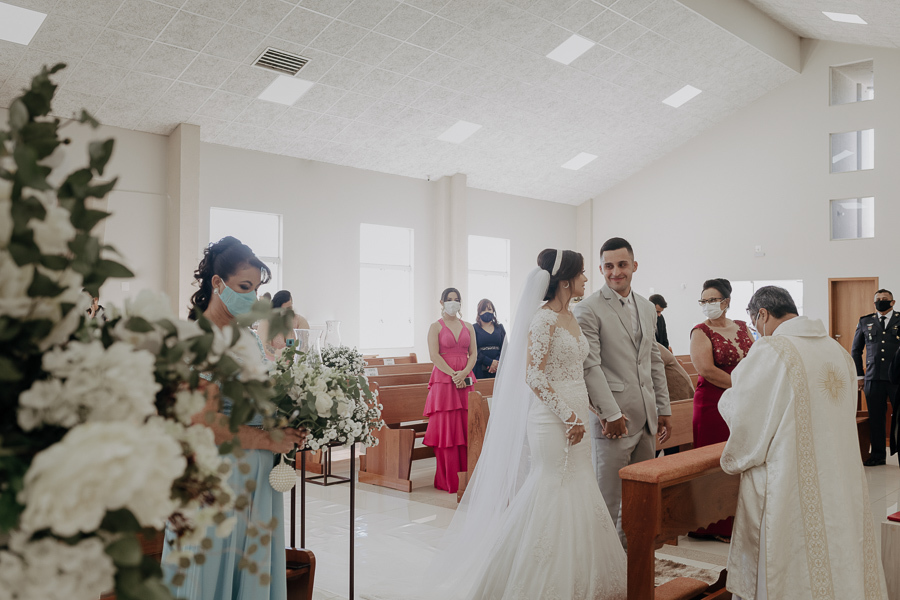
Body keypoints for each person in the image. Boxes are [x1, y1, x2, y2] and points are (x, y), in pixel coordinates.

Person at [719, 286, 888, 600]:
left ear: (763, 315)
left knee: (794, 557)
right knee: (839, 547)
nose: (757, 330)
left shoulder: (773, 350)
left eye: (755, 323)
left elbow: (745, 412)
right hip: (838, 475)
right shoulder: (837, 351)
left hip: (791, 481)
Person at [163, 236, 306, 599]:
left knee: (249, 571)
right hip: (218, 475)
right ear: (217, 283)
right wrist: (266, 438)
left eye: (256, 289)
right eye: (244, 287)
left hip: (258, 477)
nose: (251, 297)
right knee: (211, 570)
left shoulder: (248, 339)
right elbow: (203, 423)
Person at [573, 237, 672, 547]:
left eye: (622, 265)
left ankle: (635, 567)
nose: (616, 272)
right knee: (609, 501)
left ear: (634, 266)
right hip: (614, 420)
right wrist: (610, 413)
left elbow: (654, 359)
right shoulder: (588, 309)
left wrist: (664, 408)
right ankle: (606, 570)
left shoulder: (646, 306)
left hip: (646, 420)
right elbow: (591, 367)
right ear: (601, 268)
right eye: (608, 266)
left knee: (642, 502)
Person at [688, 278, 754, 541]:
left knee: (738, 458)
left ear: (726, 301)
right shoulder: (700, 331)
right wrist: (741, 386)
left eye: (712, 300)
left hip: (742, 400)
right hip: (713, 403)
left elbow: (754, 356)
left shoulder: (741, 326)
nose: (707, 305)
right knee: (716, 462)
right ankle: (712, 525)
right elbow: (706, 370)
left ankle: (737, 520)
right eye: (703, 301)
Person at [423, 288, 477, 493]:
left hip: (465, 378)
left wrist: (463, 373)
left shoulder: (469, 327)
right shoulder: (435, 327)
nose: (453, 303)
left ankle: (468, 478)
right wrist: (454, 375)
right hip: (444, 381)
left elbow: (473, 354)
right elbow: (434, 356)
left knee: (466, 427)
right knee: (448, 429)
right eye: (449, 300)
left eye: (457, 300)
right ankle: (449, 480)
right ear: (442, 302)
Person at [852, 289, 900, 466]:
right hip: (873, 378)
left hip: (897, 379)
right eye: (878, 300)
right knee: (876, 418)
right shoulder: (865, 321)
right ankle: (878, 455)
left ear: (892, 302)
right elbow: (856, 350)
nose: (881, 302)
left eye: (885, 299)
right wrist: (859, 376)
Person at [257, 290, 311, 360]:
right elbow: (265, 345)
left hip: (295, 362)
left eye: (289, 308)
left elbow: (304, 346)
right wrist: (281, 354)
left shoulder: (300, 321)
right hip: (273, 362)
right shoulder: (266, 321)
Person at [472, 298, 506, 380]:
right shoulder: (473, 328)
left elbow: (505, 347)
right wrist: (489, 362)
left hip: (499, 368)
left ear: (493, 311)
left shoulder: (500, 327)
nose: (487, 312)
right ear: (479, 313)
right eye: (483, 310)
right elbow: (473, 349)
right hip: (480, 367)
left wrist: (496, 363)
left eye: (489, 309)